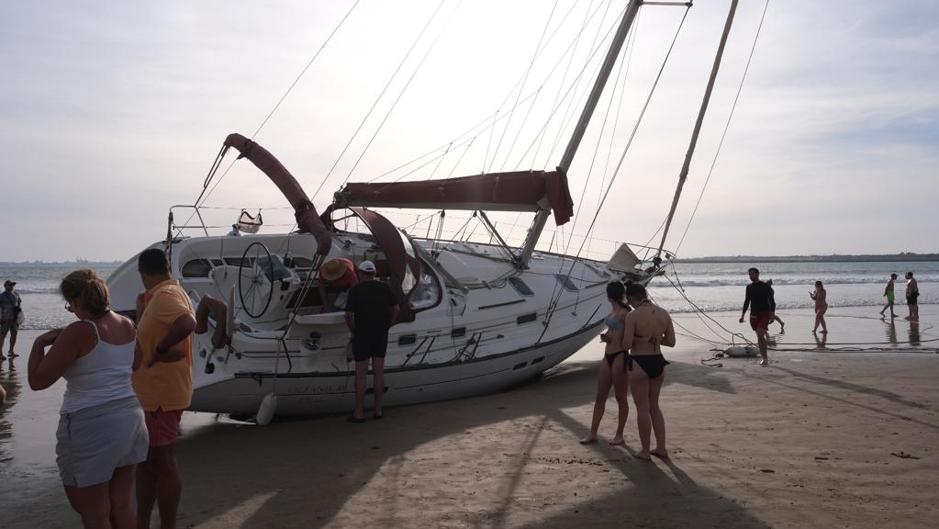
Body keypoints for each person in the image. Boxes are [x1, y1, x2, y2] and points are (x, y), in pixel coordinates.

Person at [27, 269, 148, 529]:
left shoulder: (80, 330)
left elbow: (37, 382)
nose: (70, 310)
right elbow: (136, 363)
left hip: (91, 422)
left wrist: (39, 343)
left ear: (76, 301)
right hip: (130, 416)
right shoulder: (127, 324)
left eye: (69, 305)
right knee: (123, 505)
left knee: (92, 511)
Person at [133, 248, 197, 529]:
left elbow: (187, 322)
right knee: (146, 463)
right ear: (167, 266)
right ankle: (142, 521)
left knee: (162, 461)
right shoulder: (162, 294)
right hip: (154, 393)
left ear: (143, 273)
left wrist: (161, 348)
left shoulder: (166, 295)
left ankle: (167, 525)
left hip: (162, 394)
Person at [621, 283, 675, 461]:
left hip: (639, 362)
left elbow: (626, 345)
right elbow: (671, 342)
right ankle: (661, 448)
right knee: (655, 407)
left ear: (631, 298)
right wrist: (655, 338)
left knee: (642, 408)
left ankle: (645, 451)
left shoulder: (632, 315)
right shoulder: (663, 313)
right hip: (658, 361)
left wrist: (638, 338)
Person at [344, 260, 398, 422]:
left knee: (361, 375)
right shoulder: (384, 288)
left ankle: (359, 413)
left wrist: (354, 330)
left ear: (360, 274)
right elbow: (396, 309)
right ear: (374, 274)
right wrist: (389, 324)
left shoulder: (355, 290)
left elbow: (348, 315)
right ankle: (378, 410)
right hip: (380, 334)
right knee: (378, 372)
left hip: (362, 334)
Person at [580, 281, 631, 446]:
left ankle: (619, 434)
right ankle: (592, 432)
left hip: (619, 356)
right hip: (607, 355)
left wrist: (612, 339)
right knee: (600, 396)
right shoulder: (613, 311)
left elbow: (627, 338)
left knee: (620, 397)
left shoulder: (625, 313)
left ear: (610, 295)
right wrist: (607, 337)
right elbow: (614, 331)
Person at [739, 267, 774, 366]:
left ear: (758, 274)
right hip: (753, 314)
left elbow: (772, 301)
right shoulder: (749, 287)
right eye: (749, 274)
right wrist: (743, 315)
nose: (751, 276)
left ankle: (765, 358)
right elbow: (747, 301)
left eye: (752, 274)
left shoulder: (765, 286)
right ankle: (764, 357)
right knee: (759, 336)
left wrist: (772, 314)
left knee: (760, 333)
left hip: (764, 313)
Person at [0, 280, 22, 360]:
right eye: (10, 285)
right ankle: (0, 353)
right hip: (5, 318)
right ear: (5, 286)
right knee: (2, 336)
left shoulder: (16, 293)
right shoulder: (2, 296)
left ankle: (11, 351)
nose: (12, 286)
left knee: (14, 334)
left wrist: (19, 313)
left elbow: (19, 302)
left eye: (12, 285)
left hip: (14, 318)